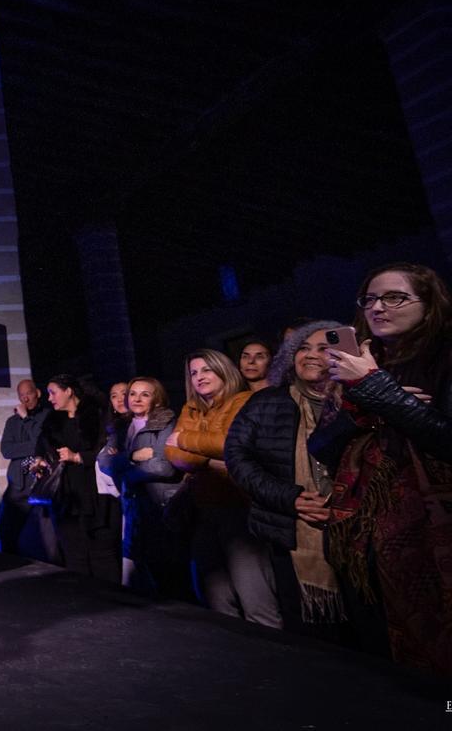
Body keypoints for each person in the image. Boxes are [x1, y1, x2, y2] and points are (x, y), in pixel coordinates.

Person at [310, 263, 452, 674]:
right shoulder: (358, 365)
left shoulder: (444, 356)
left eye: (394, 297)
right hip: (365, 527)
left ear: (430, 304)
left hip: (434, 527)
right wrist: (360, 408)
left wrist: (375, 386)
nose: (378, 307)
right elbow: (320, 446)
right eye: (370, 299)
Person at [225, 321, 348, 640]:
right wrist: (288, 497)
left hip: (352, 535)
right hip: (290, 531)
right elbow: (237, 456)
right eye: (302, 348)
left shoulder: (358, 402)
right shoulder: (267, 402)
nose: (310, 355)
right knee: (305, 634)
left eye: (324, 348)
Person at [166, 349, 280, 627]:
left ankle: (278, 662)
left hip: (240, 511)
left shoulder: (244, 401)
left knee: (256, 600)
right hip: (203, 511)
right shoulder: (190, 408)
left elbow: (227, 445)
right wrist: (209, 458)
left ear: (223, 370)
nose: (199, 377)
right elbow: (172, 455)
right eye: (194, 373)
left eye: (207, 370)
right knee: (218, 601)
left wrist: (185, 440)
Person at [97, 377, 181, 594]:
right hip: (134, 506)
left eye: (145, 394)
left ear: (157, 399)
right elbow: (105, 463)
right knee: (140, 570)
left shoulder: (165, 423)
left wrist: (125, 471)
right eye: (133, 393)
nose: (137, 399)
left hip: (161, 505)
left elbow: (164, 467)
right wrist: (134, 456)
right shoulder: (121, 427)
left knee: (167, 572)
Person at [32, 375, 120, 582]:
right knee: (73, 552)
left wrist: (78, 457)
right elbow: (40, 449)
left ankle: (111, 600)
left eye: (53, 392)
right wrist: (39, 462)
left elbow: (108, 449)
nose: (50, 398)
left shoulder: (96, 415)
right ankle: (83, 599)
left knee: (101, 551)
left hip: (95, 491)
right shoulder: (52, 421)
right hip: (66, 494)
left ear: (69, 391)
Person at [0, 379, 58, 562]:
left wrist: (26, 419)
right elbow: (7, 450)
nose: (25, 398)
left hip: (41, 482)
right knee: (7, 531)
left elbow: (44, 443)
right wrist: (33, 445)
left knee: (47, 536)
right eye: (21, 395)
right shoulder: (11, 422)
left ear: (37, 393)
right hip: (18, 483)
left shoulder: (49, 416)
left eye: (29, 393)